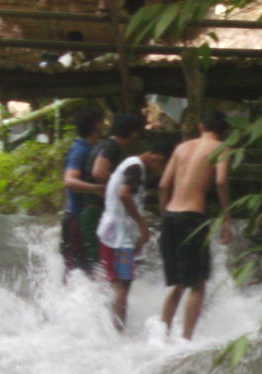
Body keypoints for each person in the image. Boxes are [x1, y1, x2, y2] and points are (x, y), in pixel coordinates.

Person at [158, 109, 232, 340]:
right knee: (197, 284)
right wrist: (227, 217)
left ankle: (161, 334)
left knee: (178, 283)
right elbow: (220, 181)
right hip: (192, 217)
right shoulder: (221, 148)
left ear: (201, 126)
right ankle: (186, 340)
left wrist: (165, 213)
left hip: (171, 216)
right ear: (224, 132)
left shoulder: (181, 148)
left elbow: (162, 185)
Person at [96, 139, 173, 331]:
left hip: (111, 233)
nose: (160, 172)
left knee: (116, 283)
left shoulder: (129, 163)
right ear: (158, 159)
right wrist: (142, 224)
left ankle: (110, 328)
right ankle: (118, 332)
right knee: (123, 284)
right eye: (163, 167)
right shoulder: (136, 168)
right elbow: (124, 194)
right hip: (121, 239)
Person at [79, 113, 144, 270]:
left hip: (102, 216)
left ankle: (119, 292)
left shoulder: (107, 145)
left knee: (109, 269)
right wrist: (123, 188)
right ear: (134, 134)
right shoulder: (111, 147)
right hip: (98, 214)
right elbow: (99, 172)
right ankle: (114, 292)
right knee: (108, 269)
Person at [61, 105, 105, 275]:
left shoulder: (93, 148)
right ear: (96, 125)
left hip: (88, 219)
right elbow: (69, 181)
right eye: (102, 122)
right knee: (78, 272)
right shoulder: (80, 150)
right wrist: (96, 189)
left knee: (90, 270)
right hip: (77, 219)